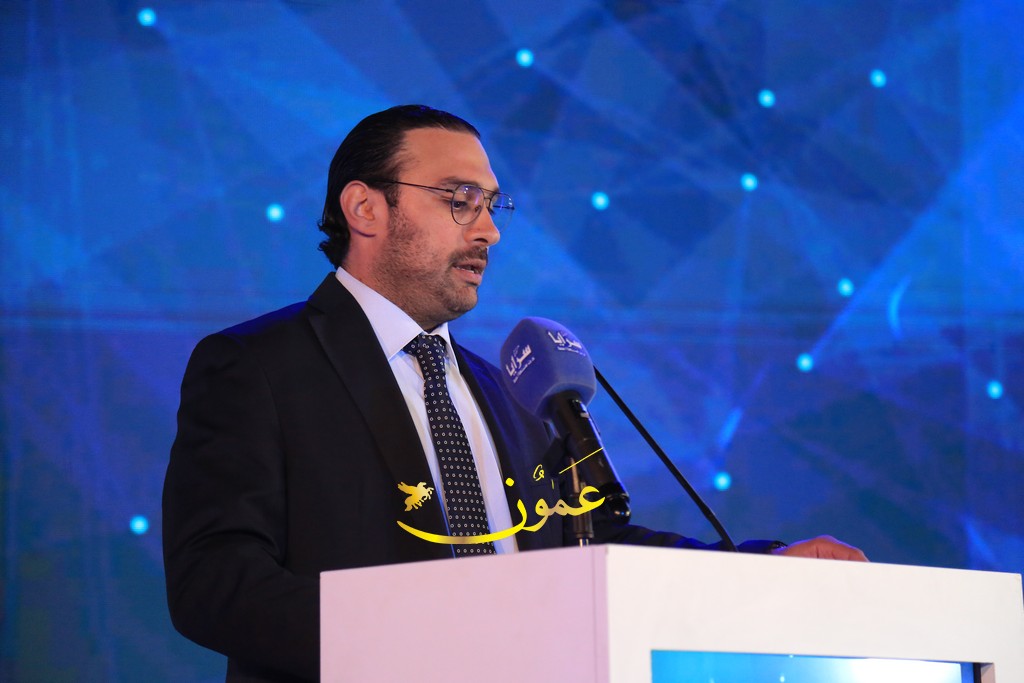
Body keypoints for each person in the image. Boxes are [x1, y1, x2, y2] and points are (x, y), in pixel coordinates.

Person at [162, 104, 867, 682]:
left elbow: (592, 547)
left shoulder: (509, 392)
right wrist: (423, 652)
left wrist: (764, 567)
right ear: (365, 207)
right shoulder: (259, 365)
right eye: (460, 200)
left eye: (493, 205)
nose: (490, 231)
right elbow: (215, 581)